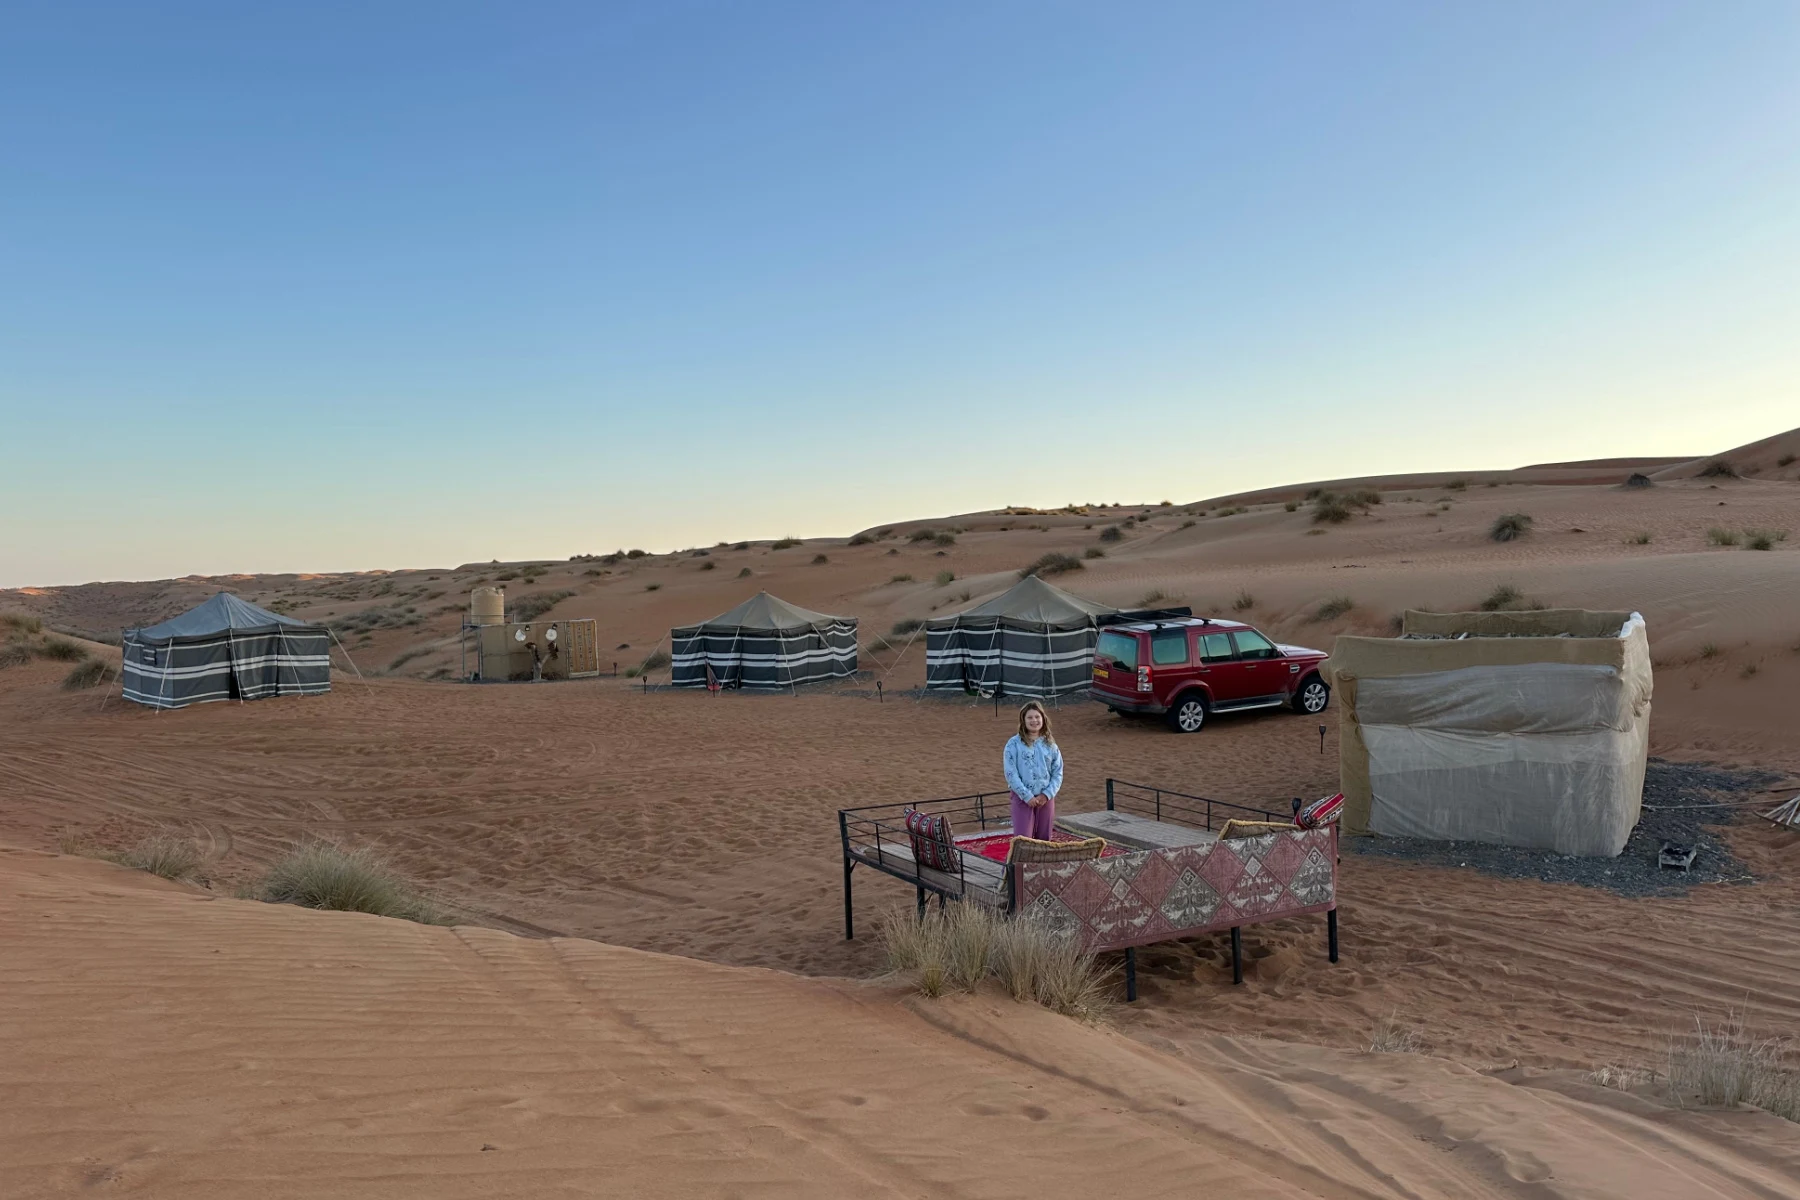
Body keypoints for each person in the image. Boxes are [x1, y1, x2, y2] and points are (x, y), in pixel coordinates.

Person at [1004, 700, 1064, 840]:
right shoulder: (1013, 744)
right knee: (1023, 839)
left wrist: (1046, 795)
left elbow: (1058, 772)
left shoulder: (1050, 745)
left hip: (1045, 799)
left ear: (1043, 718)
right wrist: (1027, 796)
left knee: (1044, 839)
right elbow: (1011, 773)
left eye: (1037, 717)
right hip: (1022, 799)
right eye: (1030, 717)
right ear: (1023, 720)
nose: (1034, 720)